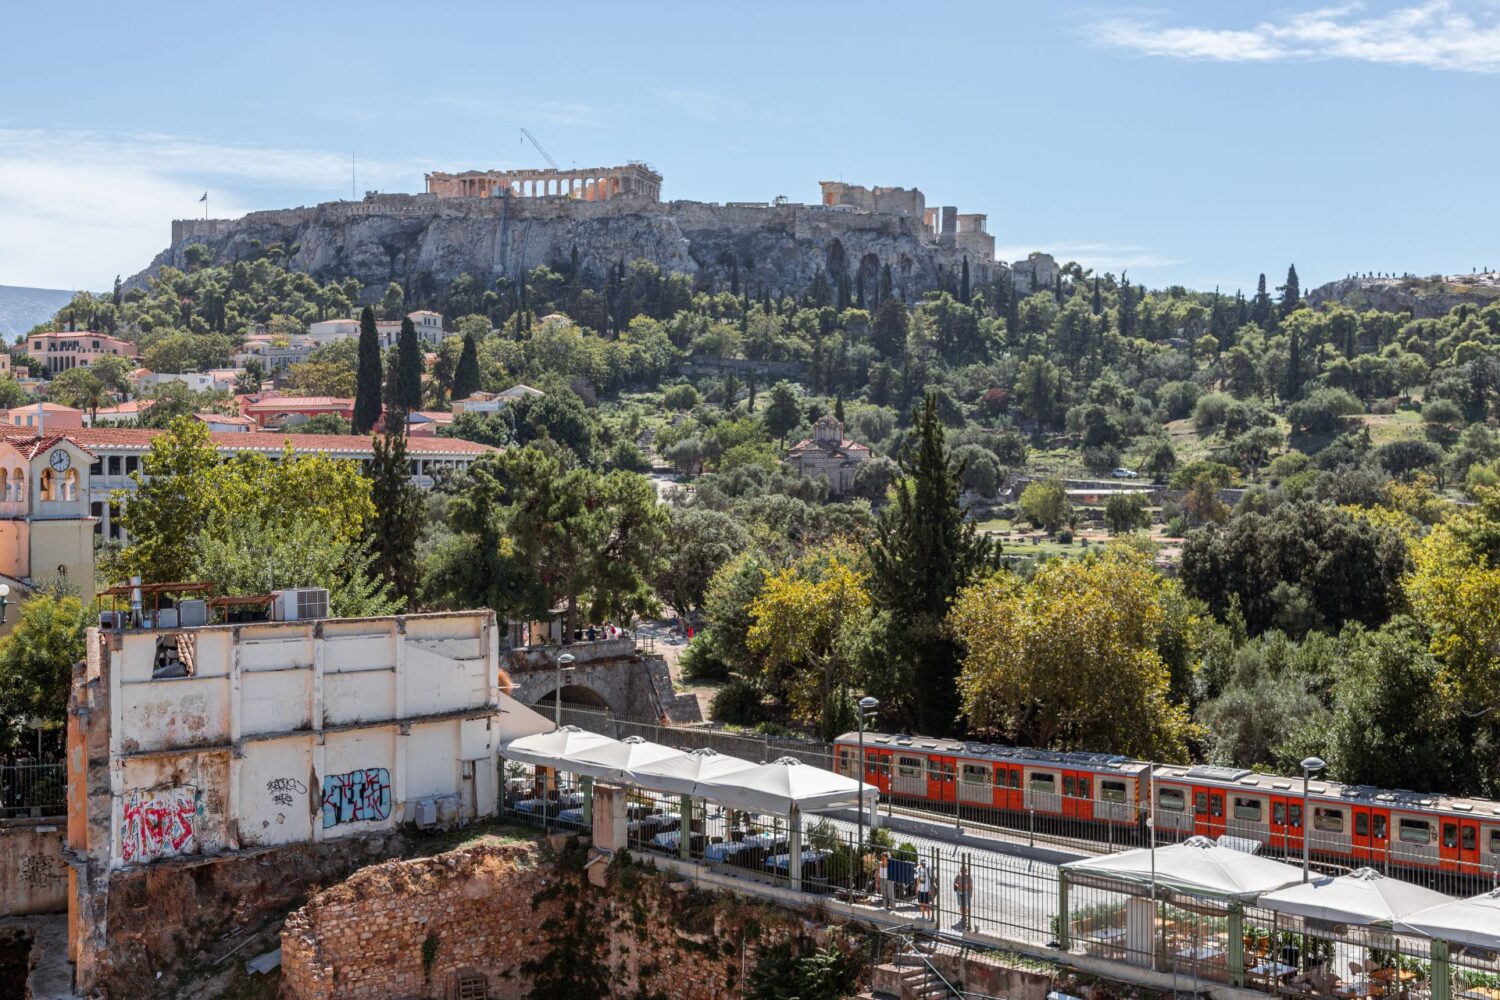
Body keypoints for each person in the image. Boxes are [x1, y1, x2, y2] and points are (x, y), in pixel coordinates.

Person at [953, 863, 973, 930]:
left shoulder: (968, 877)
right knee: (961, 905)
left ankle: (965, 917)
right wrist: (957, 884)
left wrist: (970, 894)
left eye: (963, 871)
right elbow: (954, 883)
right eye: (961, 871)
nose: (962, 872)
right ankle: (963, 916)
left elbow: (970, 886)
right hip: (959, 892)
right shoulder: (958, 876)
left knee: (965, 905)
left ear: (966, 871)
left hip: (966, 892)